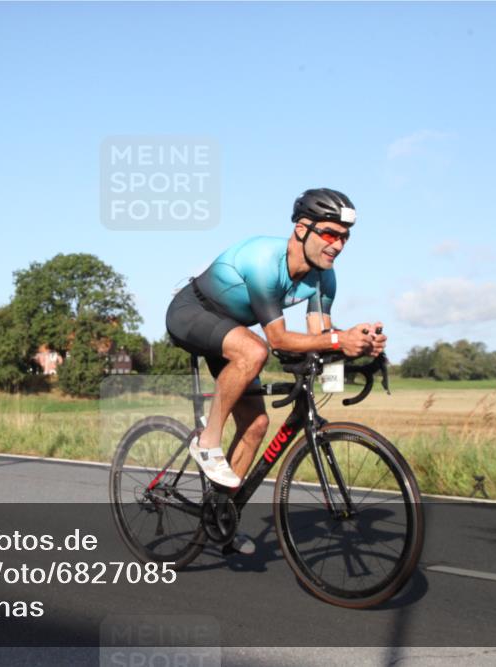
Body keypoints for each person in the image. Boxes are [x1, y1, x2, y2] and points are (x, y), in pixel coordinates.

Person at [164, 188, 387, 554]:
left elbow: (319, 337)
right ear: (302, 228)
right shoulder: (265, 259)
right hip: (192, 313)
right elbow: (280, 339)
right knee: (255, 349)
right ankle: (207, 442)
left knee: (256, 425)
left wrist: (358, 344)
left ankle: (221, 517)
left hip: (232, 330)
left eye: (344, 237)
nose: (338, 245)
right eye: (330, 234)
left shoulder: (323, 278)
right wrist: (337, 341)